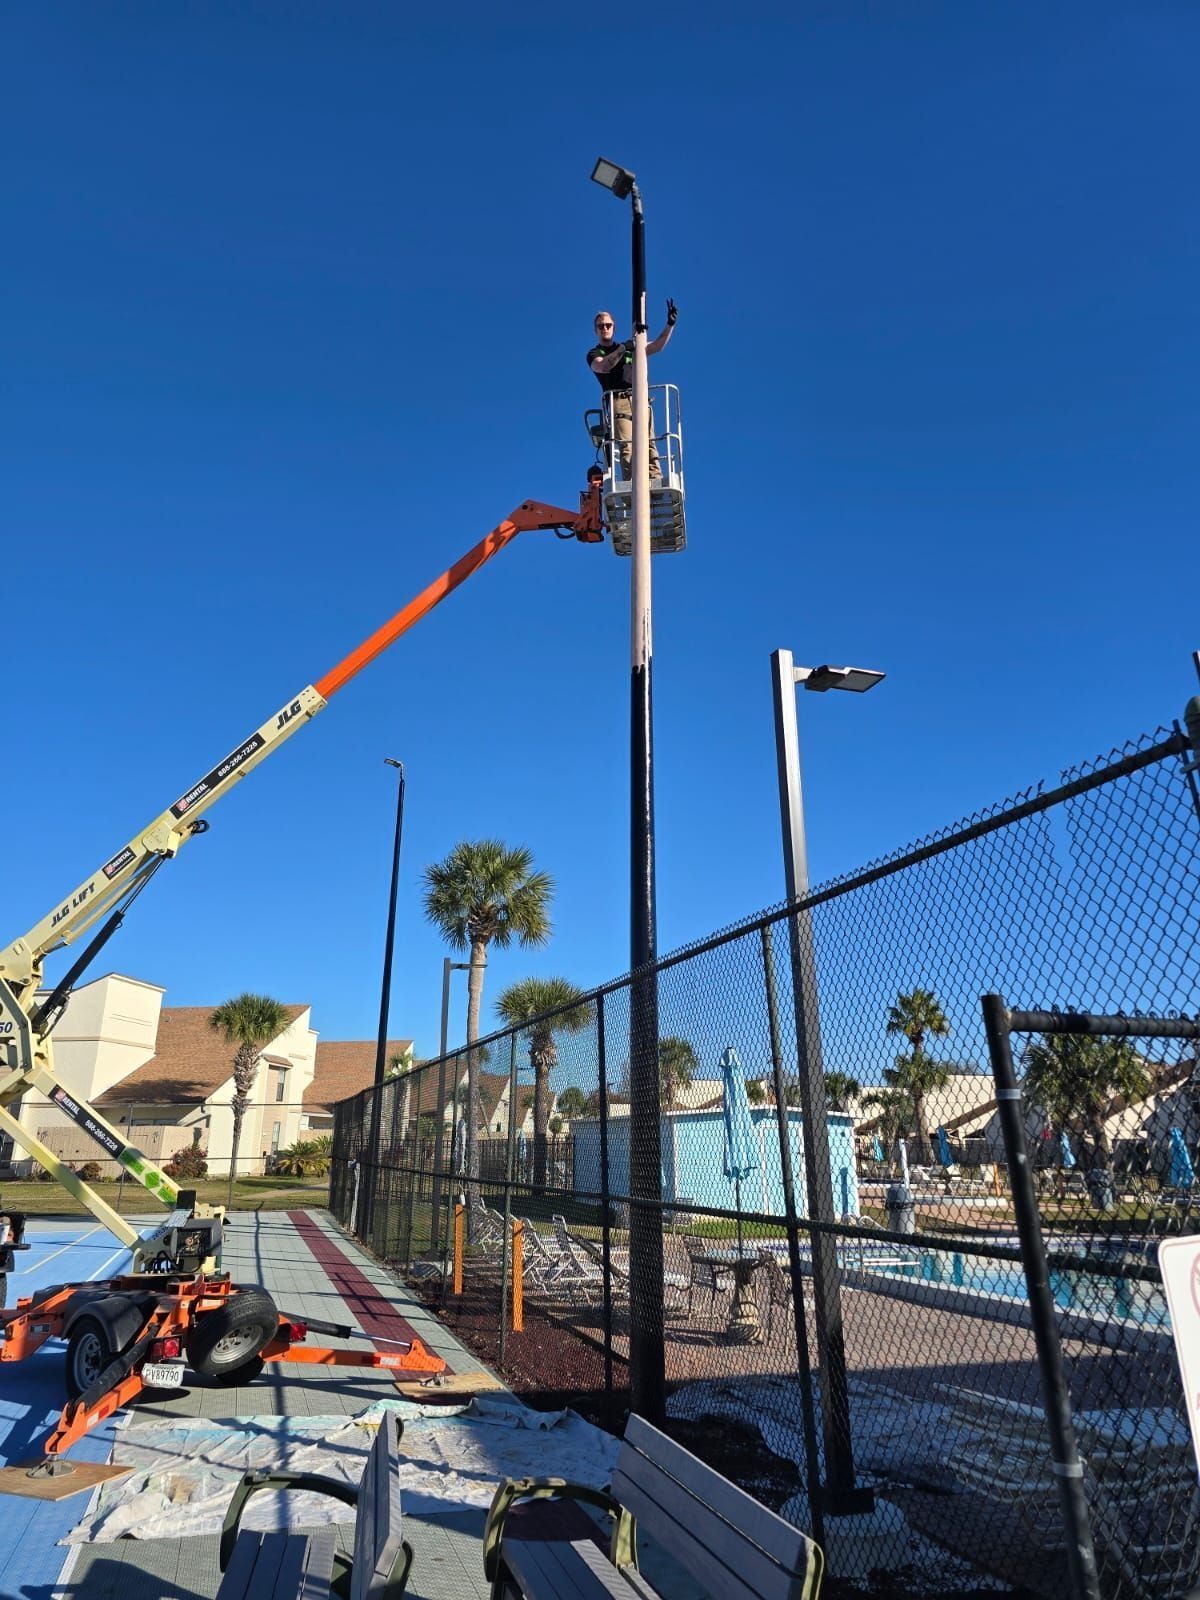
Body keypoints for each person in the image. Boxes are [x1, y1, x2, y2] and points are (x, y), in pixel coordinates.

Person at [587, 301, 678, 483]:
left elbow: (657, 346)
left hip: (640, 398)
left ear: (613, 327)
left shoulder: (630, 348)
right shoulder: (596, 352)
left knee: (649, 444)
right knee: (628, 447)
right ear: (596, 330)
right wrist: (624, 348)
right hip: (619, 401)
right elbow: (603, 366)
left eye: (608, 325)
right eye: (601, 326)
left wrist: (670, 325)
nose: (605, 328)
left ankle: (654, 483)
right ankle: (632, 485)